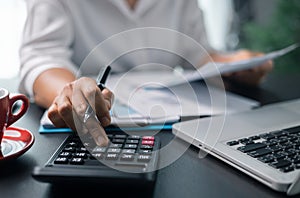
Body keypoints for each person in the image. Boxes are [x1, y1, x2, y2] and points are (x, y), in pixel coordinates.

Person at [19, 0, 273, 146]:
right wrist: (70, 92)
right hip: (92, 130)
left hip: (177, 128)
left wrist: (236, 65)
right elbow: (42, 56)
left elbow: (196, 52)